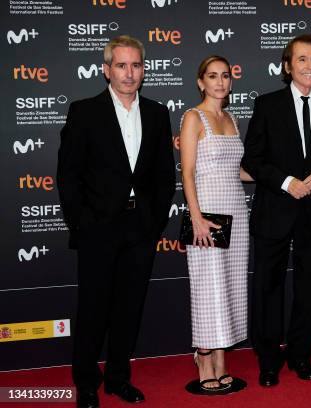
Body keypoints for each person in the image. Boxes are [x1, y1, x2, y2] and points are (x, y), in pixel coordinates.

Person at [56, 35, 175, 408]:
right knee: (93, 309)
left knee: (129, 309)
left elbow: (162, 176)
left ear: (144, 69)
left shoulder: (157, 113)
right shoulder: (84, 112)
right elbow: (69, 175)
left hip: (139, 229)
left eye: (136, 65)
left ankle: (119, 378)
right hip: (97, 230)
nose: (129, 73)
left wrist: (153, 223)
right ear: (106, 69)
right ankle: (87, 384)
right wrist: (83, 224)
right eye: (121, 65)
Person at [242, 34, 311, 387]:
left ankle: (301, 355)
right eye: (303, 59)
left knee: (309, 289)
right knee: (268, 288)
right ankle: (269, 360)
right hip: (275, 209)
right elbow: (253, 161)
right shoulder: (267, 105)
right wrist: (287, 182)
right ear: (287, 65)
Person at [179, 55, 252, 395]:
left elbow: (236, 170)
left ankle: (222, 359)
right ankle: (204, 357)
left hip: (235, 210)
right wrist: (195, 217)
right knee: (207, 288)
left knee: (230, 285)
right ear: (201, 82)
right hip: (206, 213)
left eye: (225, 75)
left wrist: (275, 174)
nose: (220, 82)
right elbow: (188, 172)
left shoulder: (231, 119)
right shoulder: (193, 117)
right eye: (212, 76)